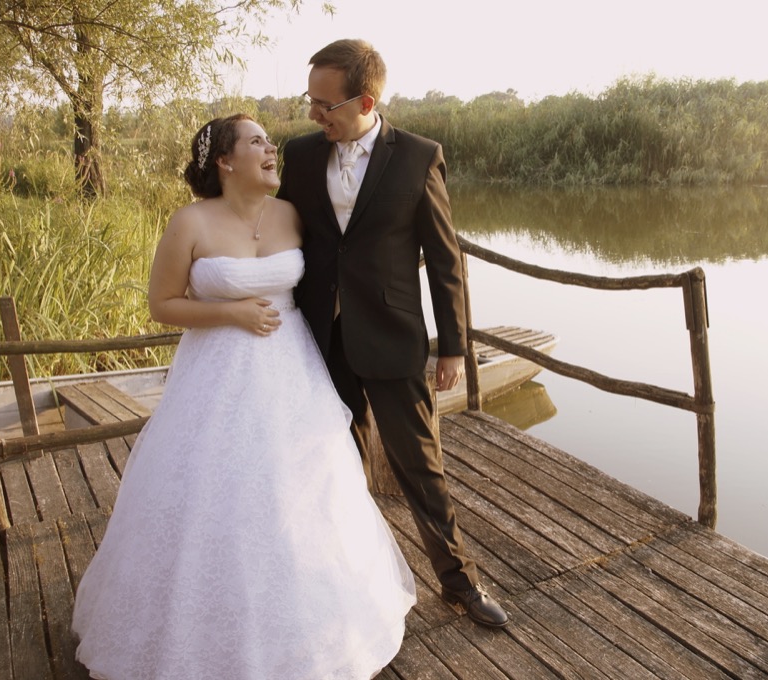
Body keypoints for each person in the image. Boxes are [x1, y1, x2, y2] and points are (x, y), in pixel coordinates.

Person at [71, 114, 416, 680]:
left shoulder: (291, 214)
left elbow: (345, 261)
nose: (270, 148)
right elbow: (162, 303)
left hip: (291, 374)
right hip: (214, 375)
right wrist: (230, 312)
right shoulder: (189, 222)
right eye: (257, 141)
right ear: (225, 161)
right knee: (213, 487)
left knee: (297, 488)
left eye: (269, 141)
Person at [276, 39, 509, 629]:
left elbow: (445, 259)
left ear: (365, 101)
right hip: (318, 340)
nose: (314, 114)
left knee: (419, 467)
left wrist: (452, 346)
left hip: (392, 336)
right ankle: (339, 585)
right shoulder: (299, 155)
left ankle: (460, 582)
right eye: (310, 101)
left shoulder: (418, 157)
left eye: (325, 104)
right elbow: (280, 232)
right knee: (332, 464)